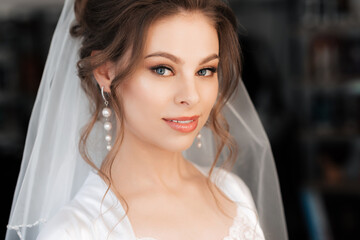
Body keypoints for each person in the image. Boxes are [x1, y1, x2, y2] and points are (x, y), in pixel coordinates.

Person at [6, 0, 288, 239]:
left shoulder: (232, 194)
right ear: (106, 71)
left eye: (205, 71)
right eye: (163, 69)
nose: (190, 96)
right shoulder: (75, 231)